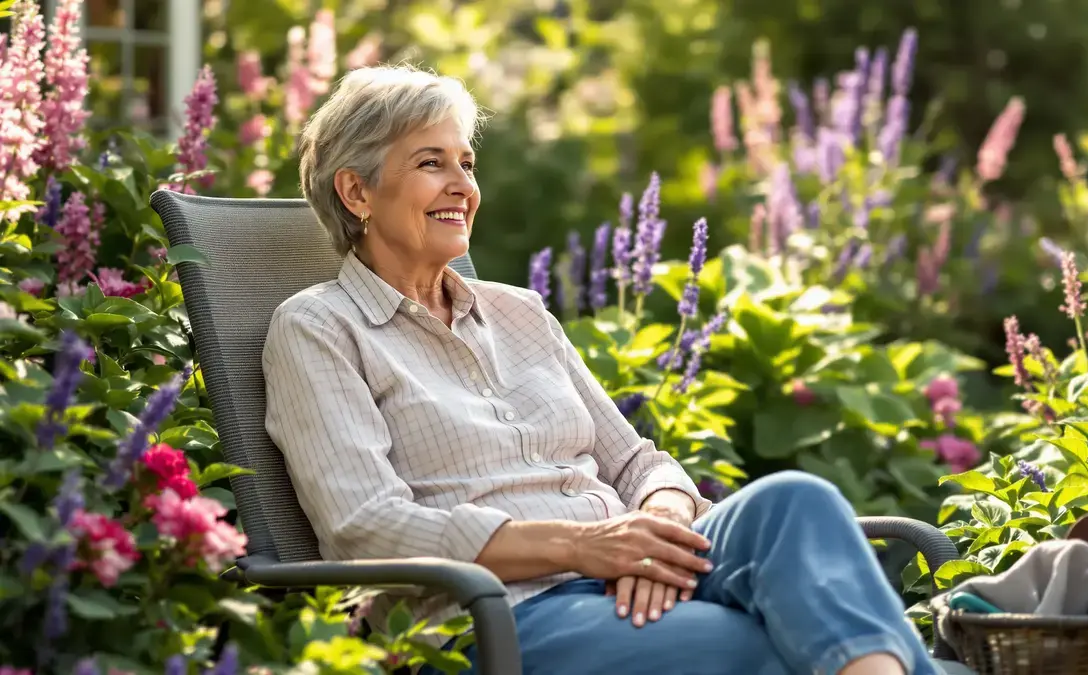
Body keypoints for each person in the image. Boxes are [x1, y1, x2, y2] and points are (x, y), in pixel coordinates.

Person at [261, 63, 944, 675]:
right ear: (356, 191)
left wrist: (655, 527)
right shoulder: (319, 329)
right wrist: (586, 546)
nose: (462, 186)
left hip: (627, 570)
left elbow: (638, 463)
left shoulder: (521, 312)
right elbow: (367, 527)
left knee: (795, 499)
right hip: (500, 616)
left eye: (466, 163)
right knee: (763, 641)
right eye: (431, 163)